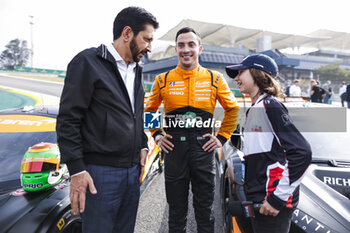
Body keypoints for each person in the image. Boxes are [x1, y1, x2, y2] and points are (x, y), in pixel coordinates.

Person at [56, 7, 159, 233]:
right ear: (127, 33)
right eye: (147, 39)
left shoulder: (138, 70)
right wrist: (76, 170)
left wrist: (141, 143)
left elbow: (136, 114)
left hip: (132, 172)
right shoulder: (87, 62)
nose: (150, 47)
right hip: (99, 174)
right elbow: (68, 120)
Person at [145, 27, 239, 232]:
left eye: (191, 44)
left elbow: (233, 109)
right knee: (176, 213)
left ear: (200, 48)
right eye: (180, 45)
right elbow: (149, 109)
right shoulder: (163, 79)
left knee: (205, 212)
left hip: (203, 153)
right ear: (176, 49)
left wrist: (222, 138)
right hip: (174, 153)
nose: (185, 49)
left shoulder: (215, 79)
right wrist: (158, 135)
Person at [226, 54, 312, 233]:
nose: (236, 78)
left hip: (271, 205)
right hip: (262, 203)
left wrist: (276, 199)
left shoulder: (269, 105)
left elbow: (302, 152)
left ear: (258, 74)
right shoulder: (257, 108)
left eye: (241, 72)